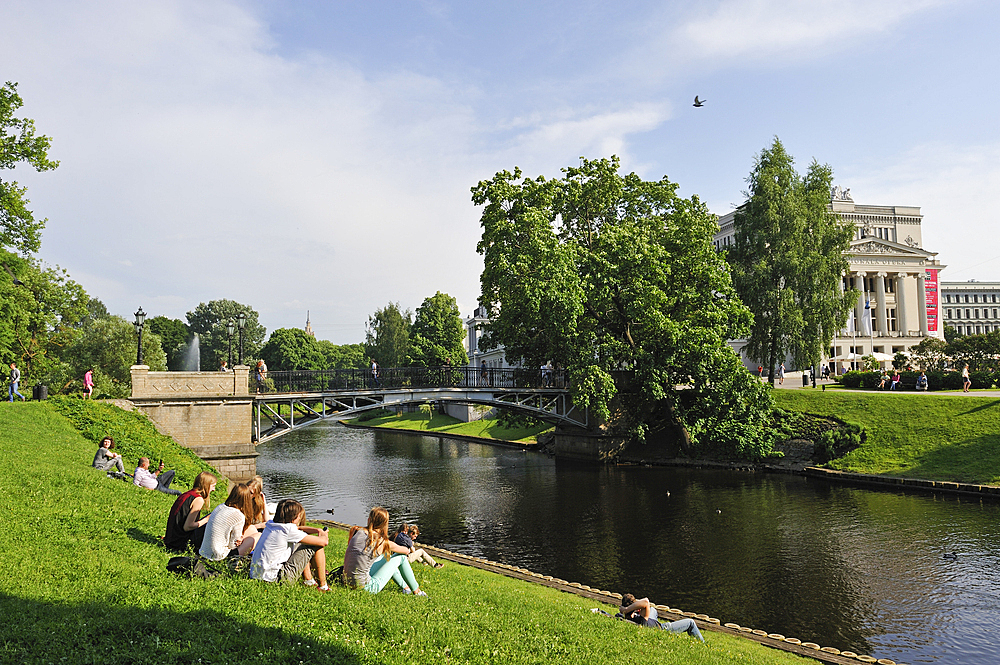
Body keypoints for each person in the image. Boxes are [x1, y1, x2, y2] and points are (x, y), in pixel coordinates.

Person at [343, 507, 427, 595]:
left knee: (386, 558)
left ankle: (406, 588)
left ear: (369, 519)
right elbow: (406, 551)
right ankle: (417, 592)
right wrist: (409, 543)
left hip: (346, 581)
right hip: (365, 587)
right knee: (401, 557)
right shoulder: (382, 542)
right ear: (385, 525)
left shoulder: (357, 531)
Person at [250, 499, 329, 591]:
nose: (300, 518)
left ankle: (309, 580)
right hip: (277, 580)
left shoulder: (271, 524)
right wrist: (324, 534)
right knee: (314, 545)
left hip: (257, 575)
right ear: (294, 518)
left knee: (302, 543)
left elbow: (297, 528)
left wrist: (318, 530)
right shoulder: (288, 531)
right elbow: (323, 542)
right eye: (299, 516)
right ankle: (323, 586)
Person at [200, 483, 260, 560]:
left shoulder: (220, 506)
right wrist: (240, 541)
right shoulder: (238, 515)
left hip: (204, 551)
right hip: (219, 556)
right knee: (258, 535)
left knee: (251, 528)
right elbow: (233, 545)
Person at [164, 472, 216, 552]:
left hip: (171, 539)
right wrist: (206, 520)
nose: (214, 489)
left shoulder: (187, 494)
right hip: (180, 543)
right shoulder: (198, 499)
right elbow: (187, 527)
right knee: (213, 519)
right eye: (213, 486)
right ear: (206, 485)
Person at [618, 594, 704, 642]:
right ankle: (702, 645)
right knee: (690, 622)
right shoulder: (642, 619)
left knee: (653, 609)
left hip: (650, 619)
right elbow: (646, 601)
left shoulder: (626, 618)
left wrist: (628, 610)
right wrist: (627, 609)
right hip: (662, 628)